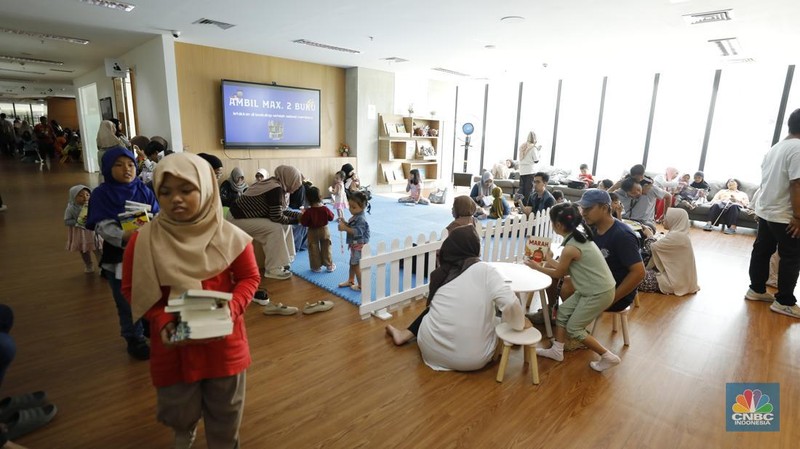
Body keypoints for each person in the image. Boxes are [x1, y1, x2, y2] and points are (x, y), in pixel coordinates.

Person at [121, 152, 260, 448]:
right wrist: (161, 320)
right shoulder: (143, 239)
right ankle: (184, 434)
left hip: (224, 342)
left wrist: (231, 309)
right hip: (173, 342)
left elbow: (250, 278)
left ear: (206, 188)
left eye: (186, 190)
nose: (176, 200)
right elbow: (133, 287)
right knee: (178, 407)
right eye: (166, 192)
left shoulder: (230, 235)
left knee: (225, 412)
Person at [384, 226, 526, 371]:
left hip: (429, 349)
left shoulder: (441, 272)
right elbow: (509, 303)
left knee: (440, 309)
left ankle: (404, 335)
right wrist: (518, 325)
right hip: (471, 360)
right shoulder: (486, 270)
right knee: (498, 319)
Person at [526, 203, 621, 372]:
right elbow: (567, 268)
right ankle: (557, 351)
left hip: (598, 293)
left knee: (574, 328)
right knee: (562, 313)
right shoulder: (579, 239)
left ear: (558, 225)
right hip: (592, 289)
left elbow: (559, 273)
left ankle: (608, 356)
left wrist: (537, 267)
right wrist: (548, 260)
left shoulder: (570, 248)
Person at [86, 146, 159, 360]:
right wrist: (124, 236)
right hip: (118, 257)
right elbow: (102, 226)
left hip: (145, 253)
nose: (126, 169)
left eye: (130, 164)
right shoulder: (102, 194)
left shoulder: (144, 189)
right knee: (125, 300)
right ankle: (133, 338)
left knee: (149, 293)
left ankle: (146, 326)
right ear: (108, 168)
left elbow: (157, 214)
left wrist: (151, 227)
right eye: (118, 165)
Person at [746, 108, 800, 319]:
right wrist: (798, 216)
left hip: (766, 210)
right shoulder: (797, 148)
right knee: (792, 257)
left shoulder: (776, 148)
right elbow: (797, 184)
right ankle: (784, 301)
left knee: (762, 250)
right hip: (784, 215)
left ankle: (756, 290)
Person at [227, 166, 301, 283]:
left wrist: (298, 216)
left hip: (244, 217)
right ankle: (273, 269)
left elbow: (281, 210)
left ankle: (285, 260)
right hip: (236, 219)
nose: (297, 186)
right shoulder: (275, 188)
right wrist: (298, 220)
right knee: (275, 228)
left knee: (285, 225)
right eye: (296, 182)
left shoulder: (276, 184)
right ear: (289, 178)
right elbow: (277, 216)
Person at [637, 208, 700, 296]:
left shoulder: (677, 236)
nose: (663, 219)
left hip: (673, 283)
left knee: (633, 275)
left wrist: (649, 235)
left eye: (667, 217)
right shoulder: (681, 234)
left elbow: (652, 248)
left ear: (675, 219)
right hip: (680, 280)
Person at [64, 185, 103, 273]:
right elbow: (67, 221)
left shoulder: (93, 205)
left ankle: (102, 267)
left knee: (98, 249)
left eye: (87, 195)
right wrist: (78, 221)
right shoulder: (71, 208)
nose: (85, 197)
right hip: (81, 233)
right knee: (84, 250)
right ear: (73, 197)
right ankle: (88, 264)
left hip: (93, 231)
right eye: (80, 196)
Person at [337, 191, 370, 292]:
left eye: (354, 207)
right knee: (352, 263)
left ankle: (361, 286)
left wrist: (345, 228)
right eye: (350, 206)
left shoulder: (361, 219)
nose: (351, 209)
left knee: (356, 265)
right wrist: (345, 223)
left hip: (359, 245)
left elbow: (357, 232)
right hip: (354, 244)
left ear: (363, 207)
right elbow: (352, 227)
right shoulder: (356, 216)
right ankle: (351, 280)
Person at [300, 186, 336, 274]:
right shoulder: (324, 209)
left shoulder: (308, 211)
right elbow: (331, 217)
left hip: (312, 231)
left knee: (313, 248)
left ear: (307, 199)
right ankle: (329, 265)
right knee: (326, 246)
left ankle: (316, 267)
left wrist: (302, 214)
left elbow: (303, 223)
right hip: (324, 230)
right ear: (320, 197)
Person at [517, 131, 542, 200]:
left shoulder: (522, 146)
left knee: (521, 188)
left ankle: (518, 204)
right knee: (529, 189)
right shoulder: (533, 148)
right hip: (530, 171)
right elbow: (536, 160)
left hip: (522, 170)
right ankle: (527, 205)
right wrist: (538, 151)